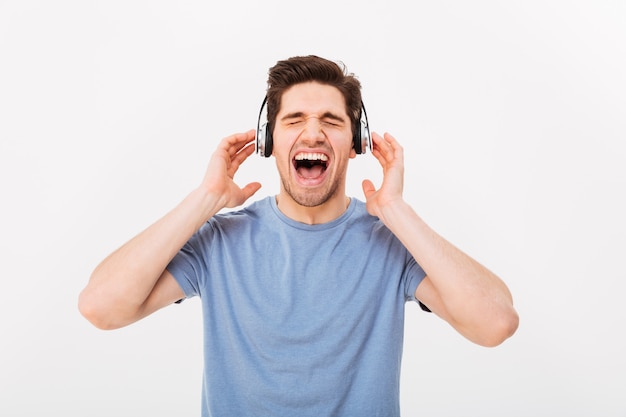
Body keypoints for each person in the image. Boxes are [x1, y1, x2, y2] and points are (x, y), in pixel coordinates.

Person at [78, 55, 518, 416]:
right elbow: (101, 307)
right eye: (294, 120)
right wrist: (207, 197)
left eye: (331, 120)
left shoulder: (392, 243)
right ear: (270, 140)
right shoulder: (219, 242)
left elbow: (495, 323)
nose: (313, 133)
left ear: (356, 141)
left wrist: (397, 211)